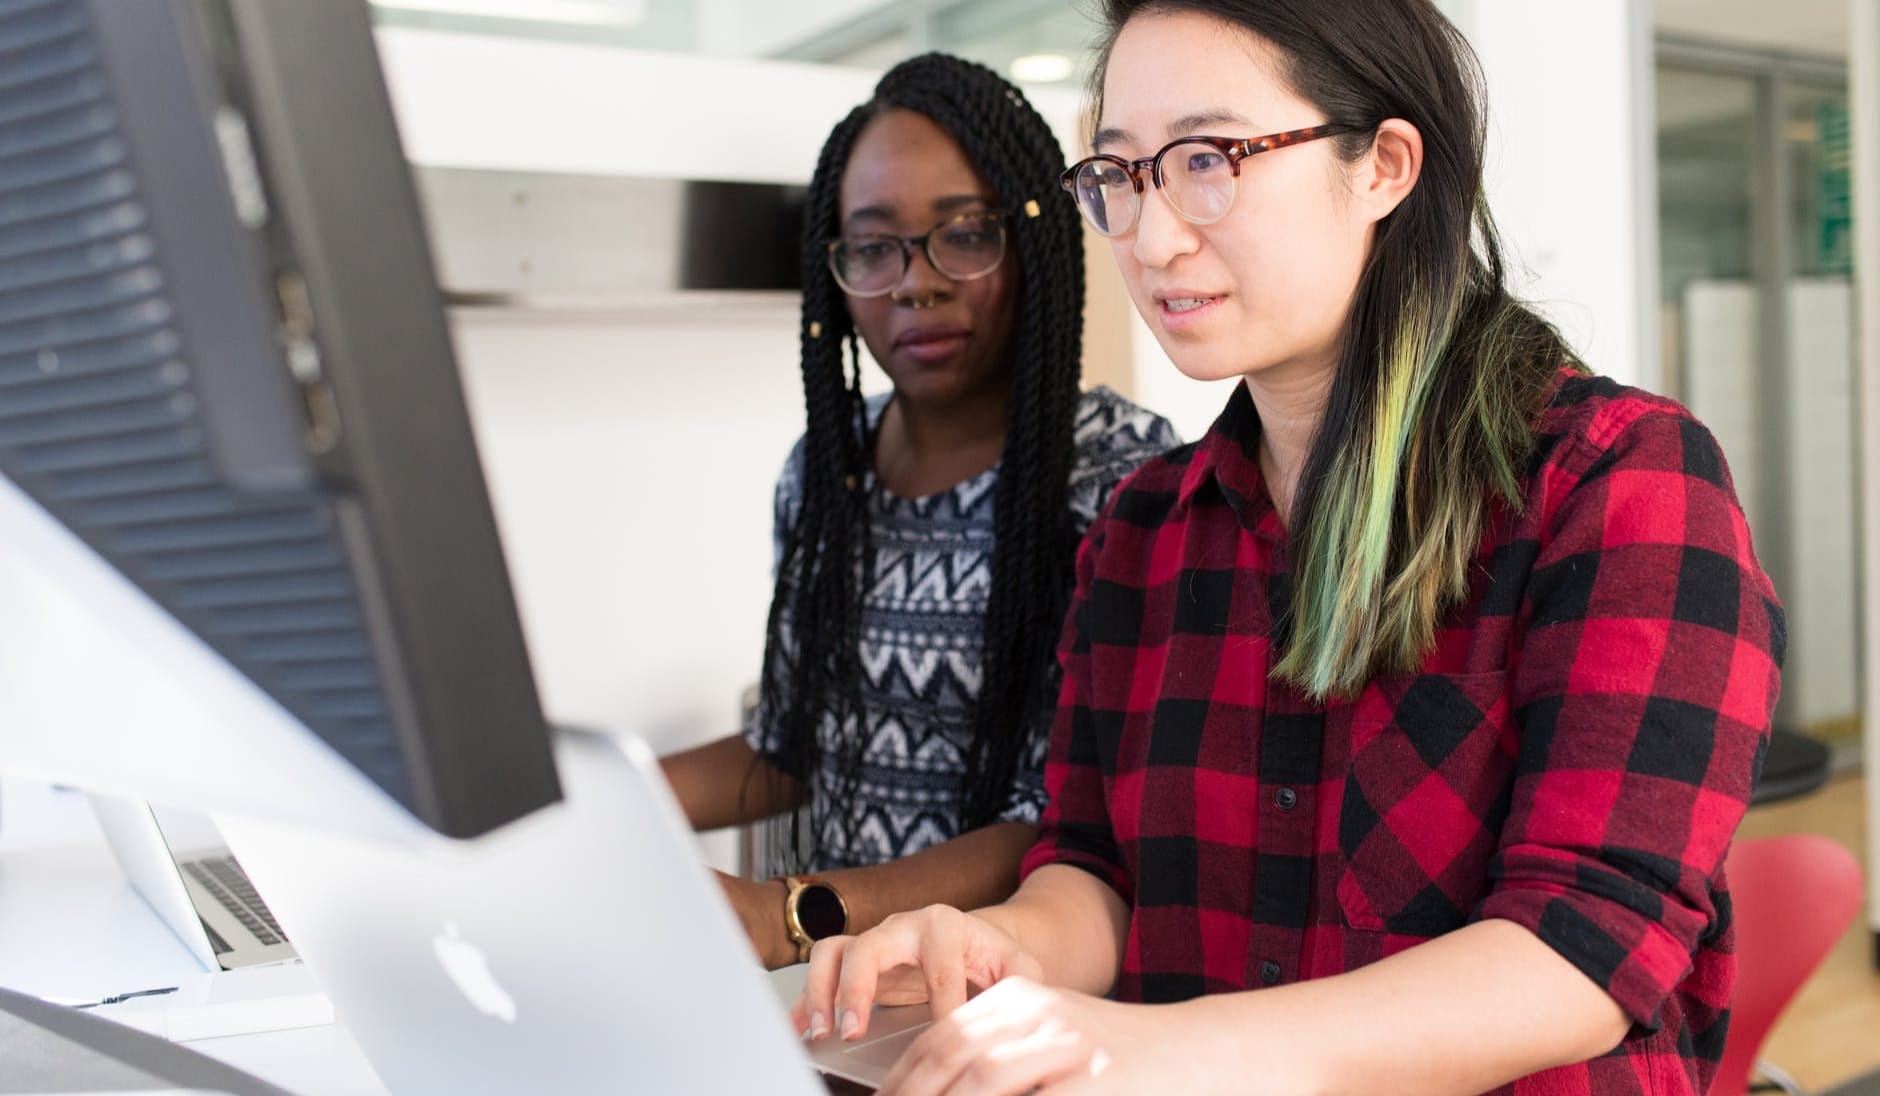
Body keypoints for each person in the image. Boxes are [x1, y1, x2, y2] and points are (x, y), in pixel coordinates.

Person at [793, 3, 1784, 1094]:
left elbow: (1584, 947)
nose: (1152, 239)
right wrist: (1003, 947)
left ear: (1384, 166)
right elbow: (1094, 869)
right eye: (1121, 176)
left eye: (1206, 161)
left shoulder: (1617, 482)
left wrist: (1168, 1046)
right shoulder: (1140, 529)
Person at [661, 53, 1179, 971]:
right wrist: (589, 798)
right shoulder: (826, 472)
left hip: (1017, 991)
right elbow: (793, 746)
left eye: (965, 234)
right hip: (844, 992)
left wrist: (790, 915)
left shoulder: (1119, 479)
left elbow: (1068, 821)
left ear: (1033, 240)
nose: (916, 282)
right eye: (873, 248)